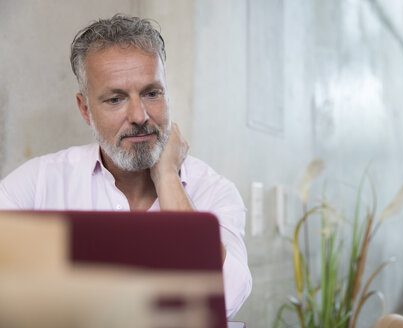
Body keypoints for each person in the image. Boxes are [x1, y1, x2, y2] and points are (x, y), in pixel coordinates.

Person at [0, 14, 251, 318]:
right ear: (85, 109)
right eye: (116, 99)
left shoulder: (213, 191)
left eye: (151, 93)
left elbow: (229, 299)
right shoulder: (37, 184)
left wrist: (168, 178)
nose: (139, 115)